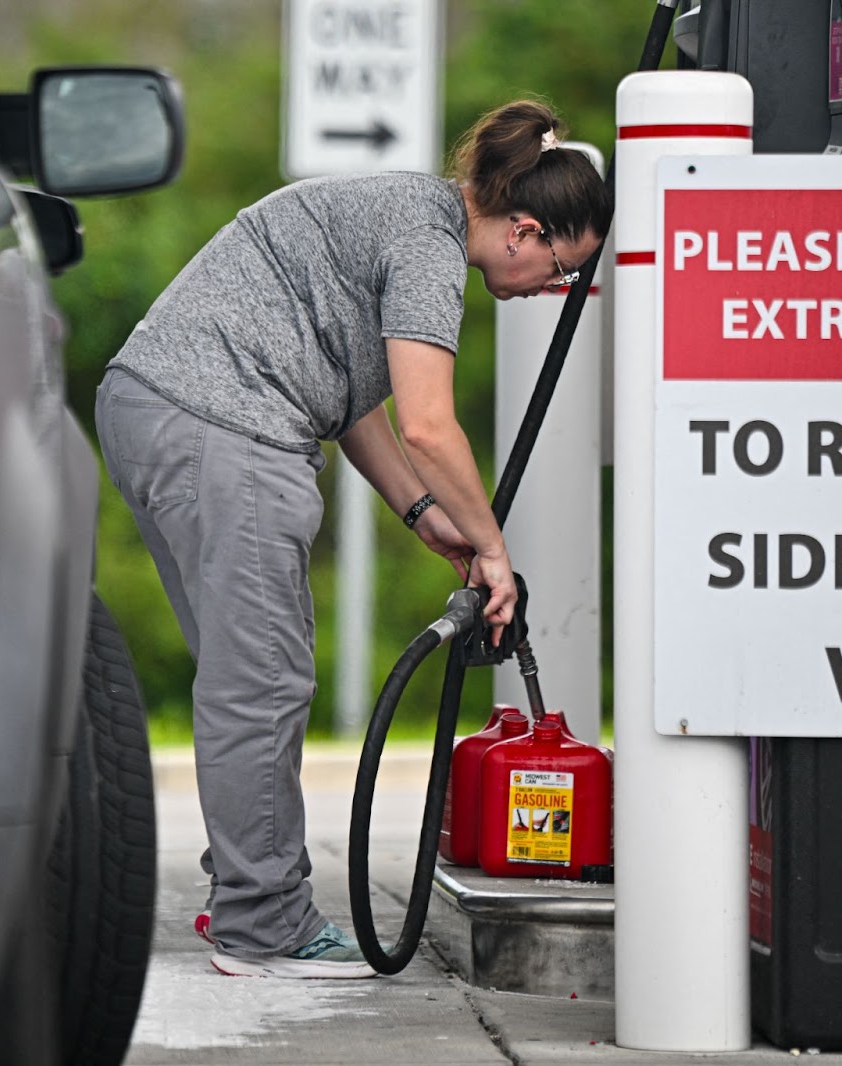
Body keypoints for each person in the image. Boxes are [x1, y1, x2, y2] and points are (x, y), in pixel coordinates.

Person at [95, 99, 612, 979]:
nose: (554, 290)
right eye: (564, 269)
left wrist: (425, 517)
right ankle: (265, 928)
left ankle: (249, 893)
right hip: (224, 422)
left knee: (244, 674)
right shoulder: (428, 248)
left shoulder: (411, 211)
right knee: (262, 679)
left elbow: (350, 398)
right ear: (524, 231)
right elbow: (430, 426)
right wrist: (493, 549)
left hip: (157, 404)